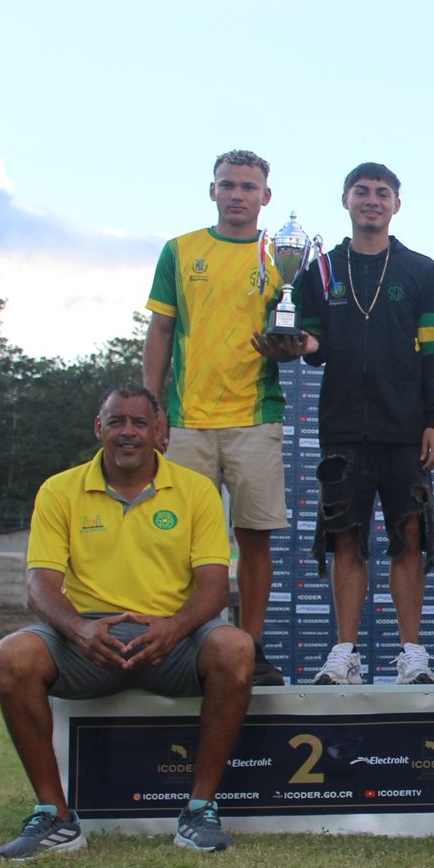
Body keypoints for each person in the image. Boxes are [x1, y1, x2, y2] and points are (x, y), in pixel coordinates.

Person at [0, 386, 254, 859]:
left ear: (159, 431)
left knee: (236, 648)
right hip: (88, 641)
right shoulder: (59, 489)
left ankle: (199, 810)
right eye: (116, 422)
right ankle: (55, 816)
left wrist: (174, 629)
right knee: (13, 655)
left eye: (139, 422)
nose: (127, 432)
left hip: (172, 639)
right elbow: (40, 584)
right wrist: (79, 630)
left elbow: (214, 587)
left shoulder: (196, 490)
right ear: (99, 428)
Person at [262, 162, 434, 685]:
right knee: (345, 537)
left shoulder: (421, 270)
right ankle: (344, 652)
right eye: (362, 191)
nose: (372, 200)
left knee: (410, 535)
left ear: (397, 204)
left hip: (405, 425)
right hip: (342, 424)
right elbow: (315, 345)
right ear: (345, 200)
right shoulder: (320, 269)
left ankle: (411, 654)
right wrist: (300, 341)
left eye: (382, 193)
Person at [142, 149, 287, 685]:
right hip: (187, 418)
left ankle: (250, 646)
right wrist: (152, 406)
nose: (237, 195)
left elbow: (299, 330)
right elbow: (160, 330)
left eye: (248, 187)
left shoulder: (281, 255)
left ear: (265, 196)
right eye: (228, 184)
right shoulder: (180, 250)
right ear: (212, 191)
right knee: (177, 538)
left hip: (254, 416)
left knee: (255, 537)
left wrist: (291, 345)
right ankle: (177, 642)